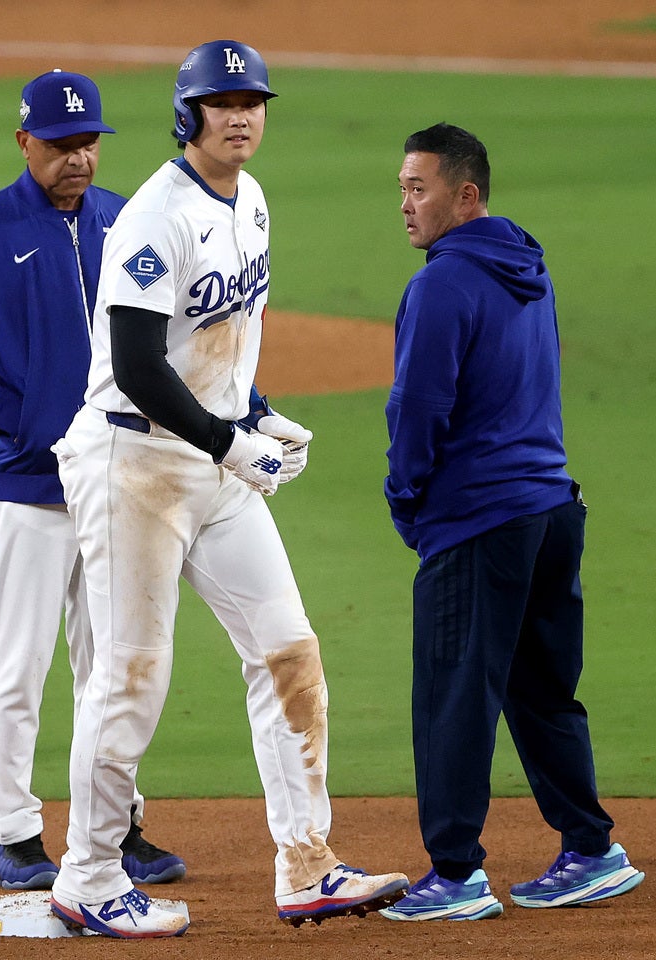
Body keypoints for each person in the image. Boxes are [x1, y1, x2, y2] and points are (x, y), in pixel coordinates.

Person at [46, 40, 409, 939]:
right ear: (189, 114)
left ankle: (308, 865)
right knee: (130, 676)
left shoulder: (251, 201)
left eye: (254, 100)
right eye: (224, 102)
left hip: (214, 463)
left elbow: (223, 341)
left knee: (289, 650)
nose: (243, 114)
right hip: (134, 466)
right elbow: (134, 365)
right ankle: (88, 875)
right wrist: (227, 441)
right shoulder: (154, 217)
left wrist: (258, 414)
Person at [0, 69, 185, 893]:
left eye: (90, 141)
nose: (79, 157)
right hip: (25, 489)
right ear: (24, 140)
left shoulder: (126, 220)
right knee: (19, 667)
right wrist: (26, 420)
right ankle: (14, 834)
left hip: (115, 487)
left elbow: (167, 337)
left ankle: (115, 825)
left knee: (116, 665)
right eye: (62, 144)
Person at [377, 123, 644, 922]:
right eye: (400, 188)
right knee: (541, 690)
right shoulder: (530, 265)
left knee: (454, 698)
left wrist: (405, 496)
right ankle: (592, 849)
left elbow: (418, 408)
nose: (405, 205)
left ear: (467, 194)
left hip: (478, 518)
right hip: (552, 506)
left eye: (418, 188)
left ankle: (455, 874)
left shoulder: (442, 284)